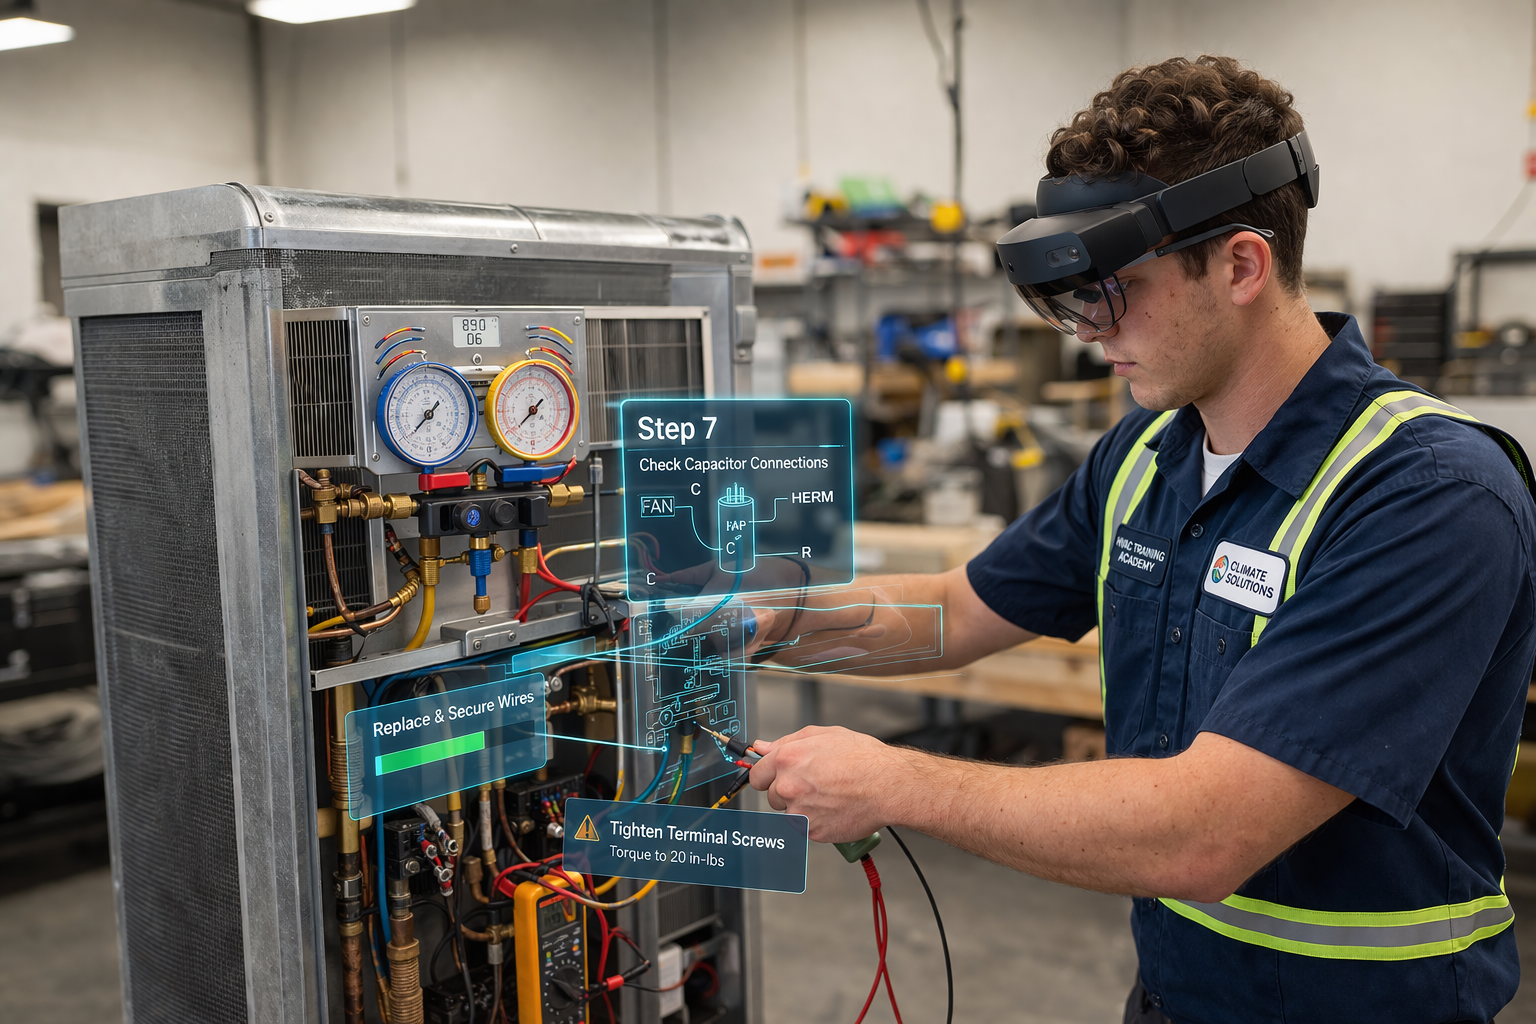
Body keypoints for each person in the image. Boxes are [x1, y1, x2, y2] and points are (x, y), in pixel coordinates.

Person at [743, 55, 1536, 1023]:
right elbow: (956, 609)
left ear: (1242, 265)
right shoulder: (1146, 455)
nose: (1083, 330)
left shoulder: (1429, 496)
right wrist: (770, 620)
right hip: (1170, 999)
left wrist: (895, 781)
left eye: (1110, 291)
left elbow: (1206, 833)